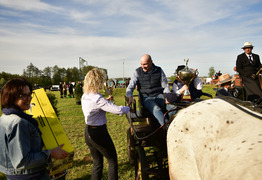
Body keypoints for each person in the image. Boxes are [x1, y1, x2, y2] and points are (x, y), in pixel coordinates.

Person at [0, 78, 69, 180]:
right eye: (23, 95)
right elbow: (22, 161)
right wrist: (51, 153)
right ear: (11, 96)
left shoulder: (4, 117)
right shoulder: (19, 123)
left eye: (29, 94)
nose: (29, 98)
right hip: (30, 176)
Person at [81, 68, 130, 180]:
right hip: (99, 133)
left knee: (97, 162)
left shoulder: (85, 95)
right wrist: (129, 108)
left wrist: (107, 100)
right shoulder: (97, 98)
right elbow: (118, 110)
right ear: (97, 81)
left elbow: (95, 108)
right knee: (112, 160)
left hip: (88, 132)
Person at [126, 54, 175, 125]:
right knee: (156, 109)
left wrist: (167, 97)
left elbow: (165, 86)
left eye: (145, 64)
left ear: (151, 62)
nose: (143, 66)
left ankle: (171, 123)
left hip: (160, 96)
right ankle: (168, 128)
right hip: (146, 98)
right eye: (141, 64)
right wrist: (130, 96)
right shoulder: (137, 72)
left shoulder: (159, 70)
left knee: (174, 108)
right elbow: (130, 87)